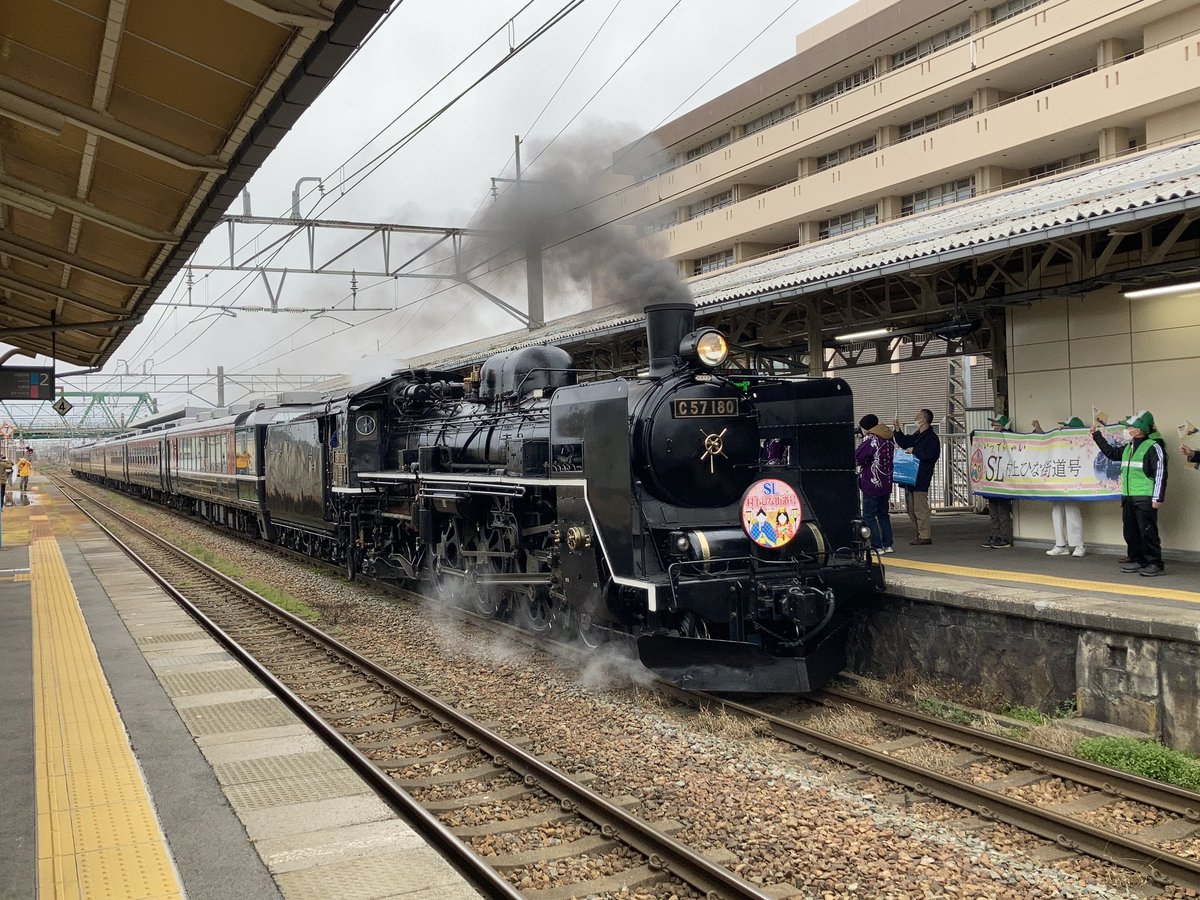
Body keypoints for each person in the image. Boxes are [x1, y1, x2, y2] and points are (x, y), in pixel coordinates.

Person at [1092, 410, 1167, 577]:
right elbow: (1111, 453)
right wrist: (1097, 436)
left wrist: (1157, 497)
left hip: (1145, 497)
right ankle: (1138, 559)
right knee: (1131, 531)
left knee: (1147, 531)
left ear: (1139, 429)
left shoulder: (1153, 447)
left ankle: (1155, 563)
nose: (1127, 430)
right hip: (1128, 497)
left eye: (1130, 427)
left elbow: (1160, 473)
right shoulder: (1129, 447)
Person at [1034, 416, 1087, 557]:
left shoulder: (1082, 443)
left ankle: (1078, 545)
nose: (1063, 429)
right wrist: (1039, 431)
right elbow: (1046, 444)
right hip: (1057, 482)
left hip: (1073, 484)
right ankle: (1060, 545)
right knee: (1056, 510)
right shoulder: (1060, 441)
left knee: (1072, 511)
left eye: (1067, 427)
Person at [892, 408, 941, 545]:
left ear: (924, 420)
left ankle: (925, 535)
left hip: (921, 476)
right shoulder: (917, 434)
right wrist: (897, 430)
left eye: (918, 416)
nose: (916, 418)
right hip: (910, 476)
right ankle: (920, 532)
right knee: (911, 508)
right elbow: (905, 442)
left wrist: (915, 450)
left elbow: (932, 455)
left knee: (920, 508)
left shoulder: (932, 438)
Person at [855, 414, 895, 553]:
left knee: (869, 515)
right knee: (883, 514)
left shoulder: (871, 438)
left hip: (872, 482)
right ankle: (888, 544)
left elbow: (858, 456)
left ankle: (876, 546)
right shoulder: (889, 438)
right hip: (886, 481)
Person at [981, 414, 1014, 549]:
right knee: (993, 512)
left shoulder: (1009, 438)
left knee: (1002, 511)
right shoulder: (991, 438)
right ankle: (995, 535)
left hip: (1003, 480)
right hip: (992, 478)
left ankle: (1004, 537)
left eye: (996, 424)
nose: (993, 427)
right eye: (993, 424)